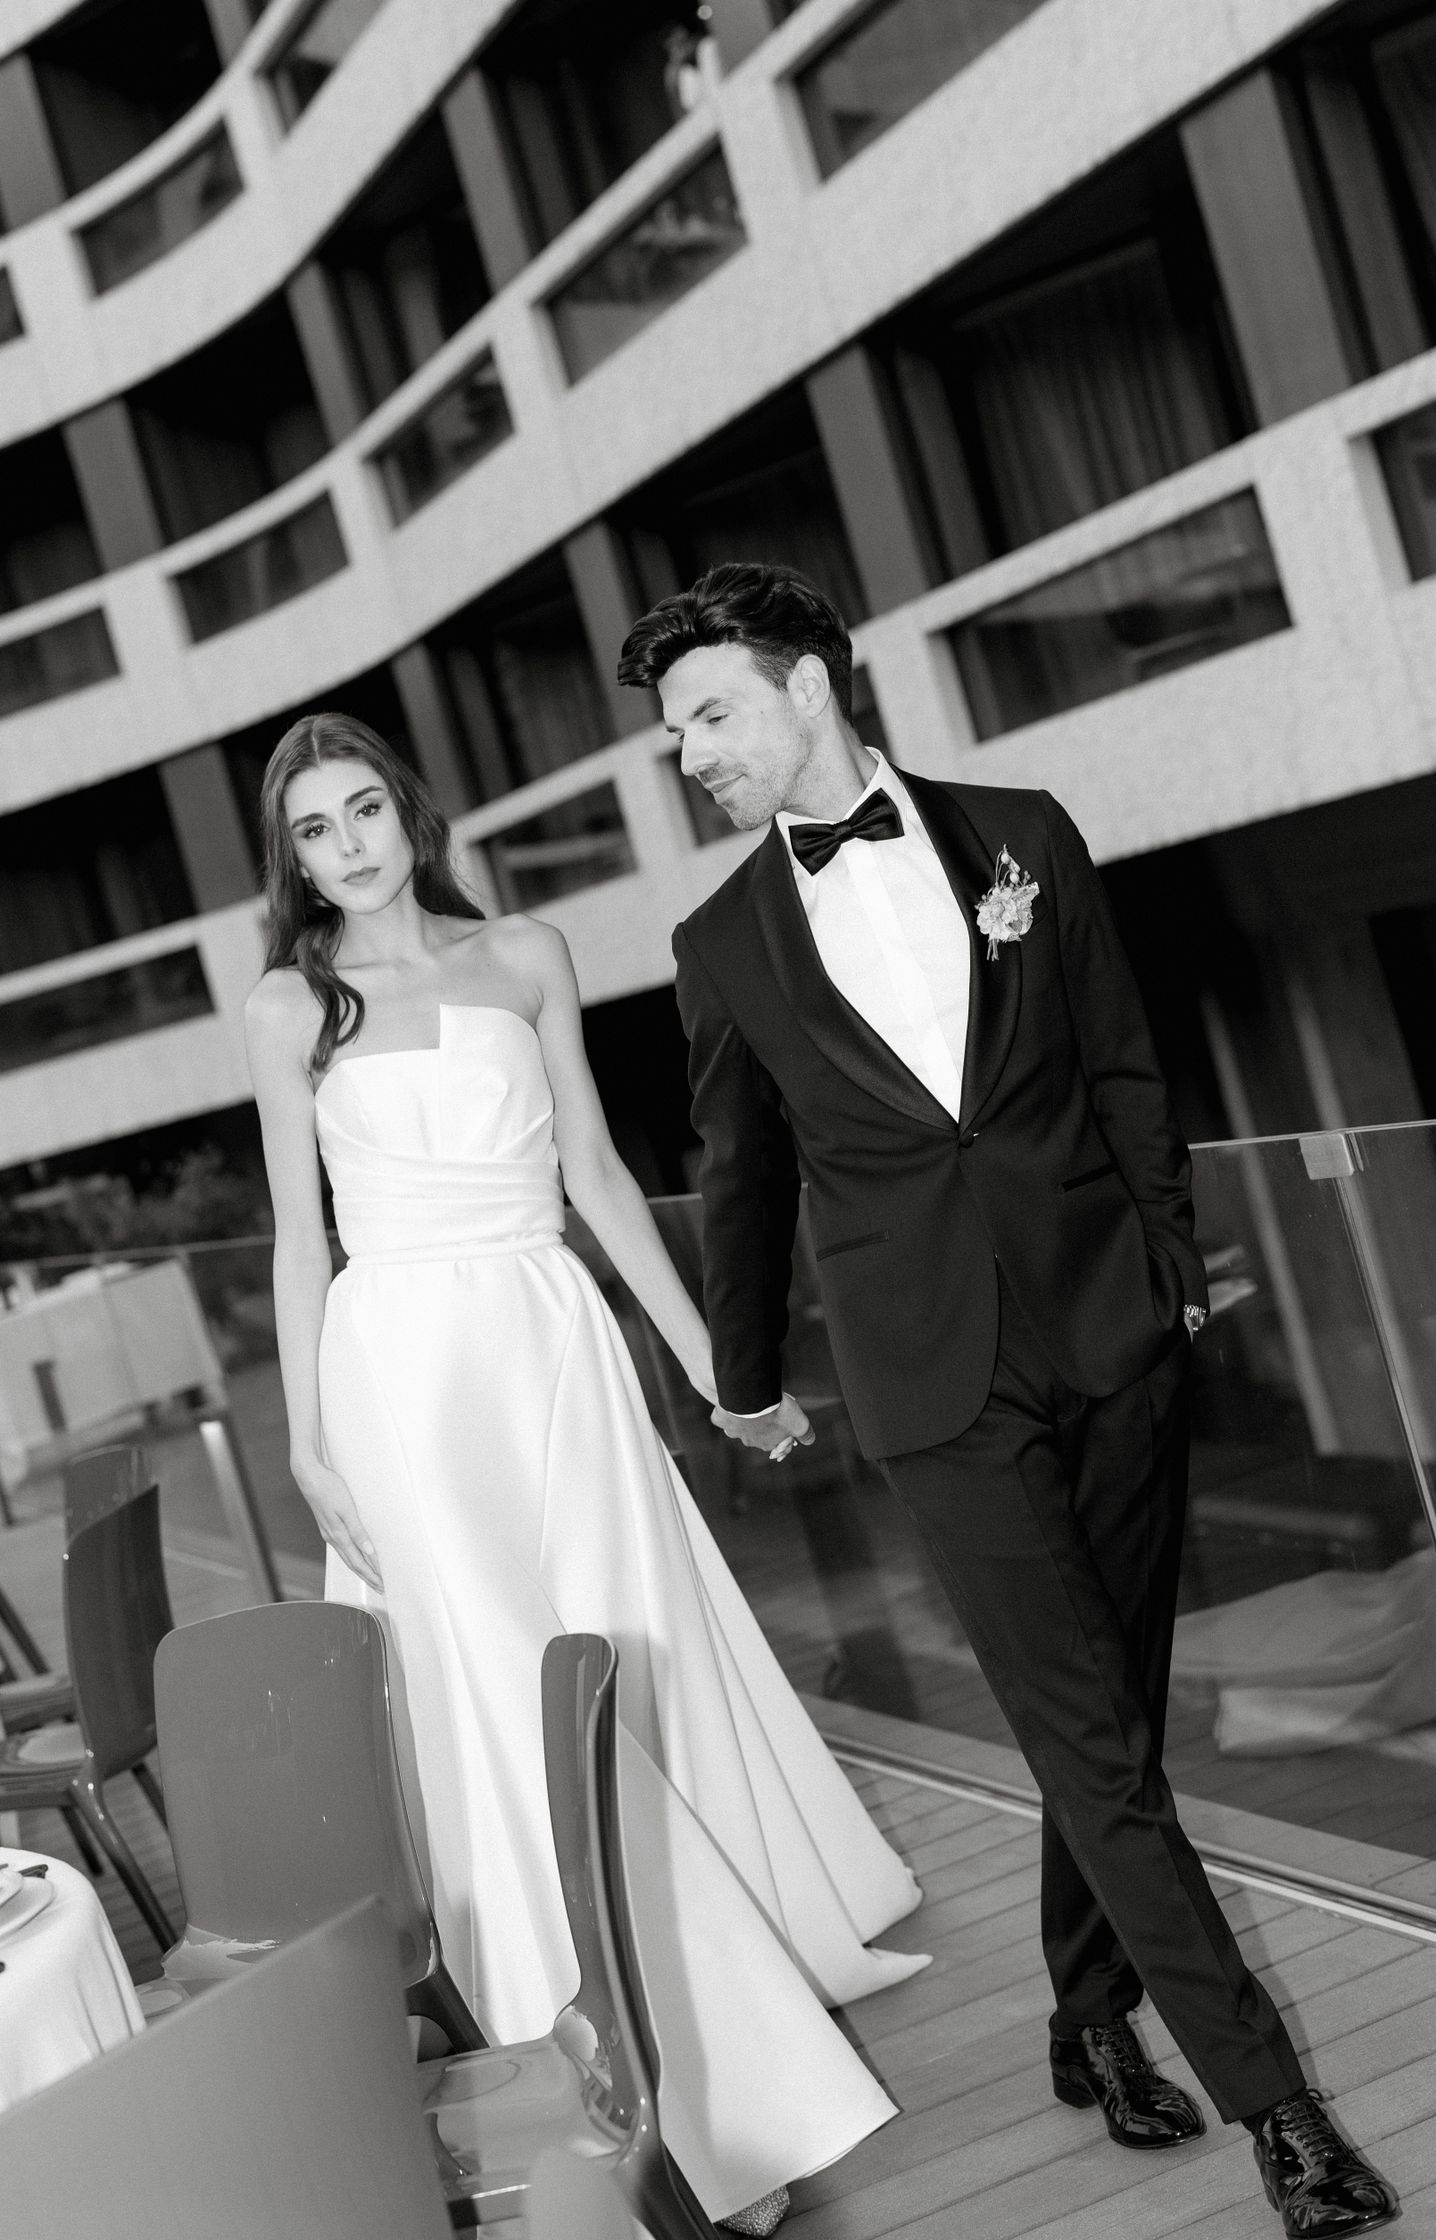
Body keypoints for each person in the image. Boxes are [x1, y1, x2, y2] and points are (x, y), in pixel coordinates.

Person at [618, 561, 1399, 2240]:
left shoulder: (1021, 832)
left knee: (1099, 1712)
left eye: (710, 715)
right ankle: (1286, 2117)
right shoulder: (721, 941)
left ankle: (1084, 2012)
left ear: (811, 687)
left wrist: (1175, 1275)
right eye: (676, 733)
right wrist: (739, 1382)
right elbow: (736, 1182)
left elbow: (1123, 1061)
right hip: (933, 1390)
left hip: (1114, 1332)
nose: (690, 755)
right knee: (1105, 1757)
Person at [244, 711, 929, 2236]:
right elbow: (304, 1241)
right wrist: (301, 1440)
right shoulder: (291, 1005)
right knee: (493, 1686)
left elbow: (602, 1180)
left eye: (366, 811)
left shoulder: (531, 954)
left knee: (612, 1649)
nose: (350, 847)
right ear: (291, 858)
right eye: (315, 829)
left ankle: (675, 2034)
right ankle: (668, 2103)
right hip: (399, 1370)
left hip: (548, 1339)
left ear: (412, 817)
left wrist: (717, 1366)